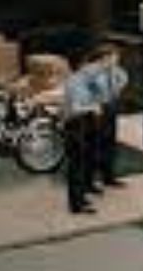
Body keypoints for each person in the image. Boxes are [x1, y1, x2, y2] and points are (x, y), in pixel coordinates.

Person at [87, 43, 129, 189]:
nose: (117, 60)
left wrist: (117, 86)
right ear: (105, 57)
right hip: (97, 109)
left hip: (110, 107)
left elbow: (124, 78)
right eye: (114, 57)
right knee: (95, 145)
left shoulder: (114, 71)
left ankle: (108, 176)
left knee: (110, 143)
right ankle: (90, 179)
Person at [64, 54, 101, 214]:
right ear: (81, 66)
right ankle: (76, 204)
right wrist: (92, 108)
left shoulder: (79, 81)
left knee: (80, 164)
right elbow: (75, 108)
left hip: (79, 125)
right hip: (74, 125)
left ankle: (80, 198)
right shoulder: (75, 83)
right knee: (76, 166)